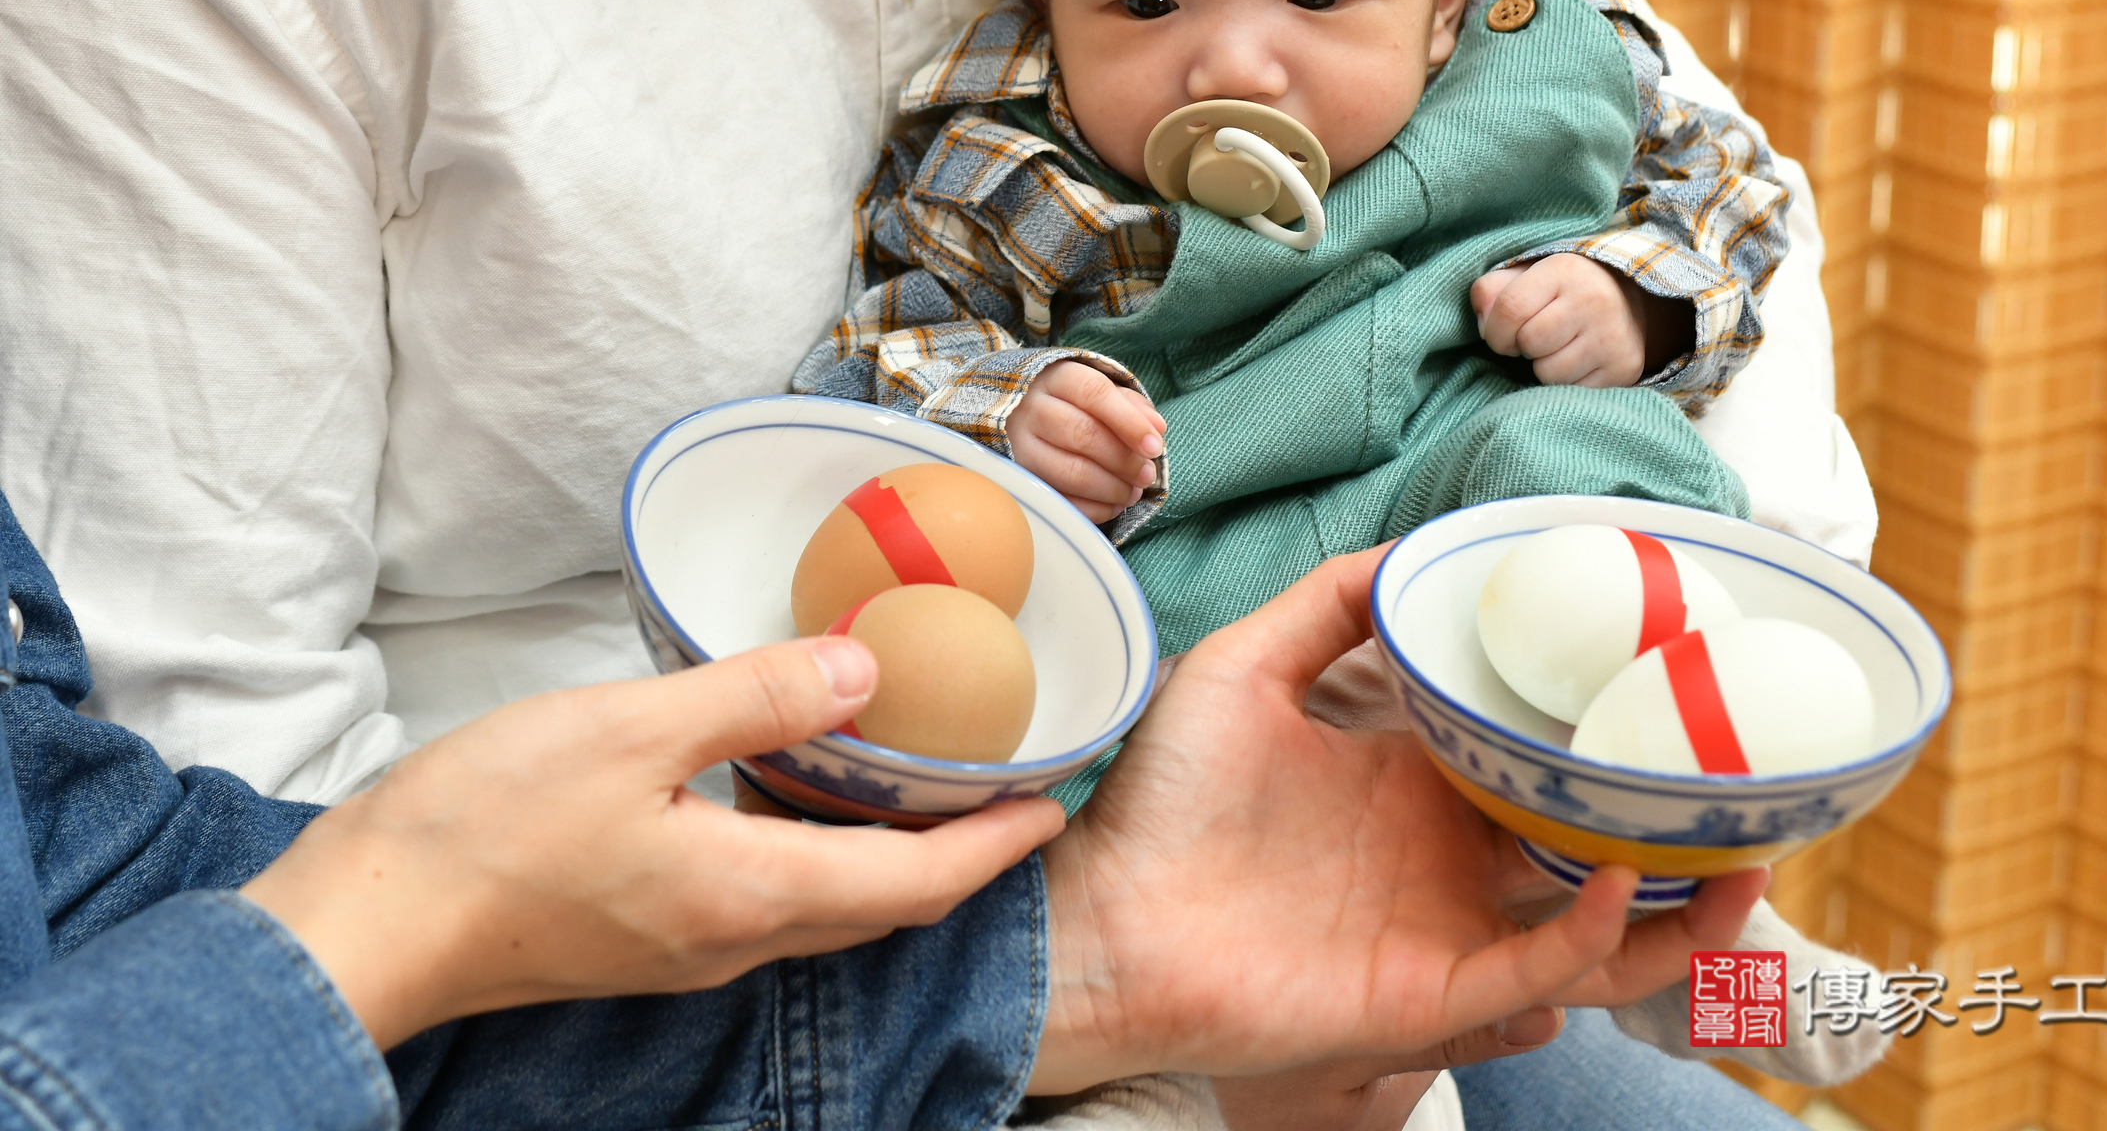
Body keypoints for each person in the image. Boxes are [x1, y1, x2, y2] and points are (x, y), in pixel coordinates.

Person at [0, 0, 1869, 1120]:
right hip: (741, 954)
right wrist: (1069, 988)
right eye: (1143, 5)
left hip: (1474, 703)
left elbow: (1682, 180)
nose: (1240, 62)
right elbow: (220, 834)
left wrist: (1620, 647)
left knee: (1682, 1012)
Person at [789, 0, 1887, 1102]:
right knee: (1067, 691)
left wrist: (1630, 297)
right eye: (1145, 2)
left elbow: (1738, 194)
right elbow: (886, 343)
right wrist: (1019, 405)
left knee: (1599, 485)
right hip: (1202, 551)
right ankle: (1142, 1077)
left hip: (1476, 482)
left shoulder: (1537, 54)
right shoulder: (1006, 158)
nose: (1234, 62)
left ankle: (1695, 922)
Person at [0, 485, 1782, 1130]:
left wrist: (1087, 962)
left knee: (1721, 999)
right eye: (1146, 0)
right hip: (1061, 896)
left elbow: (106, 864)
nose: (1235, 61)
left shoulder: (1530, 130)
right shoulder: (1009, 185)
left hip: (1346, 845)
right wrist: (393, 917)